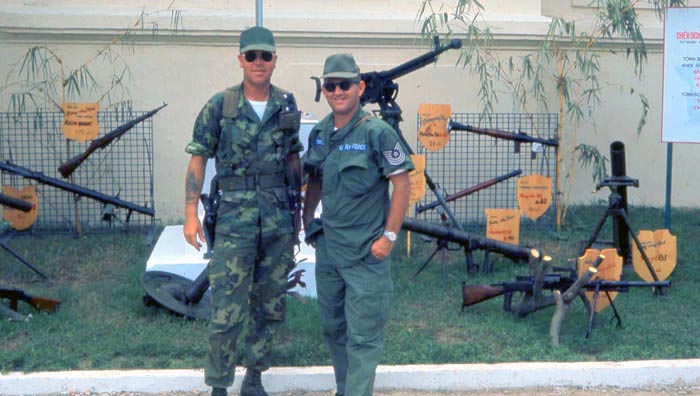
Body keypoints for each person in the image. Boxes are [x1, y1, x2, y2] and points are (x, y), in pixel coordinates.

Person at [183, 26, 303, 396]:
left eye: (265, 56)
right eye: (251, 55)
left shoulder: (286, 103)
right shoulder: (221, 105)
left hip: (277, 218)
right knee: (226, 306)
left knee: (269, 303)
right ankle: (220, 383)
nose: (258, 62)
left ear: (274, 60)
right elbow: (198, 158)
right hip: (235, 218)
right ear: (240, 59)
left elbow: (294, 159)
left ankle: (254, 376)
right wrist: (190, 211)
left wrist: (297, 216)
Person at [301, 53, 414, 396]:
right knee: (335, 329)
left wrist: (389, 237)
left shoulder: (377, 133)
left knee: (363, 337)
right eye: (331, 85)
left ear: (360, 87)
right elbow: (315, 180)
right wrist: (308, 223)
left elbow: (402, 183)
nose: (338, 91)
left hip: (367, 254)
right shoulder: (320, 133)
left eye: (345, 84)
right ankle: (345, 389)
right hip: (331, 251)